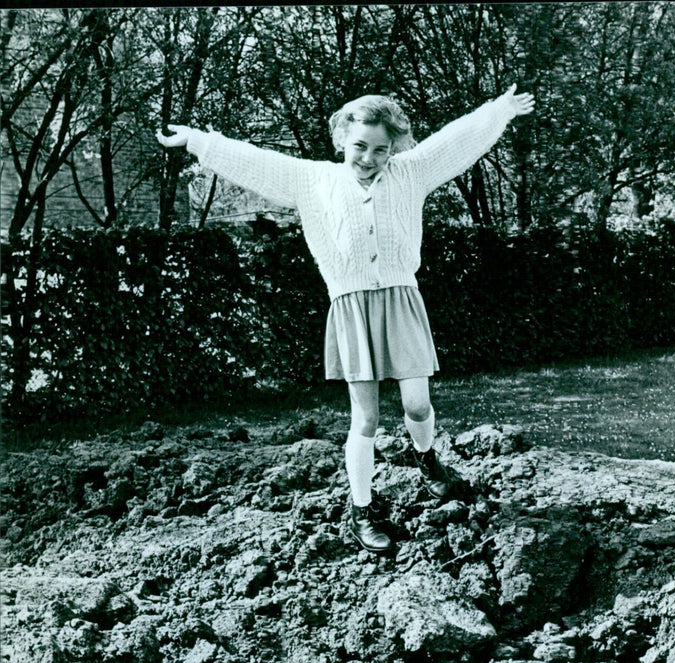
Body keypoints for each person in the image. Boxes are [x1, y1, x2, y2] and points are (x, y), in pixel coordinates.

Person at [157, 84, 534, 555]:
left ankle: (427, 459)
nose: (369, 157)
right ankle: (362, 509)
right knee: (367, 418)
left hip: (401, 300)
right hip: (351, 307)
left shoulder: (411, 172)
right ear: (341, 141)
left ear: (393, 148)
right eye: (360, 146)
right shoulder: (312, 179)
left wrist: (498, 111)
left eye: (381, 148)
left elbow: (455, 142)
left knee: (417, 404)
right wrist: (199, 141)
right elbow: (253, 161)